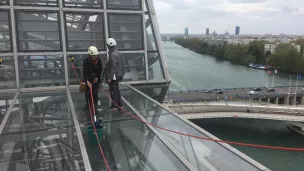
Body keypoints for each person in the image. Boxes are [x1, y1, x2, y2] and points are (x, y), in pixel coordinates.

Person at [105, 38, 125, 111]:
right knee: (117, 90)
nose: (107, 46)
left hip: (114, 77)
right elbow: (123, 64)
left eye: (107, 45)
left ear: (109, 45)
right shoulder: (118, 52)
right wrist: (122, 74)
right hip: (118, 76)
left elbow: (113, 67)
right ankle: (120, 104)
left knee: (113, 91)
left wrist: (109, 77)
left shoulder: (113, 54)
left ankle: (114, 106)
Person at [83, 46, 102, 111]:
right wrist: (87, 80)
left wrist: (97, 77)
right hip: (88, 80)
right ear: (90, 55)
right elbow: (85, 72)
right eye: (93, 56)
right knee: (88, 94)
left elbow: (100, 70)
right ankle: (88, 106)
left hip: (96, 80)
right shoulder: (86, 61)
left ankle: (95, 106)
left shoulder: (99, 61)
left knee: (95, 93)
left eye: (96, 55)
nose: (95, 57)